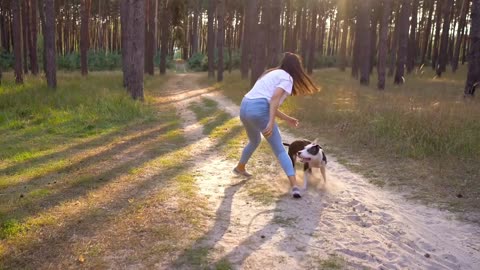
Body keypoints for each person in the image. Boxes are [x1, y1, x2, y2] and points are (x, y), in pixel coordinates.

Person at [233, 52, 319, 198]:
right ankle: (294, 186)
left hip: (244, 107)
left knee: (254, 141)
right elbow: (272, 100)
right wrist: (271, 122)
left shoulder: (272, 73)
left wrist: (287, 118)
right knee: (279, 150)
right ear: (297, 68)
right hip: (258, 109)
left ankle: (240, 167)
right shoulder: (287, 78)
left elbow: (267, 102)